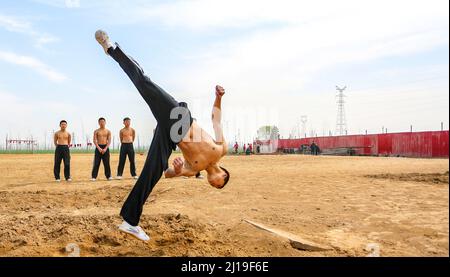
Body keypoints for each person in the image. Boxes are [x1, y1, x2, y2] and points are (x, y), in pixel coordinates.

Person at [95, 30, 230, 241]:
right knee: (144, 83)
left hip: (170, 136)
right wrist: (218, 97)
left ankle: (130, 221)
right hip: (181, 119)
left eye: (215, 187)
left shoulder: (194, 168)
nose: (215, 185)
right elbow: (216, 120)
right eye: (219, 183)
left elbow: (168, 173)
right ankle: (112, 49)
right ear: (224, 175)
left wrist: (175, 169)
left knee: (153, 171)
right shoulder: (221, 150)